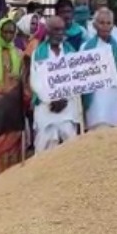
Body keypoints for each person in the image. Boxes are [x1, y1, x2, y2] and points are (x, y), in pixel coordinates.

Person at [0, 18, 27, 174]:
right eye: (5, 31)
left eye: (11, 32)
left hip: (13, 100)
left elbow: (22, 79)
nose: (9, 35)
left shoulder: (19, 53)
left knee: (13, 135)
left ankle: (12, 173)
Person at [30, 16, 80, 153]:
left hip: (67, 107)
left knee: (71, 149)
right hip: (46, 108)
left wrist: (64, 99)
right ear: (47, 30)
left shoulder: (71, 52)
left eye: (62, 30)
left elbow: (76, 78)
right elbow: (35, 81)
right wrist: (51, 100)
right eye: (56, 30)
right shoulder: (38, 53)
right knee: (44, 149)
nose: (59, 33)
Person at [80, 8, 117, 130]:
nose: (105, 26)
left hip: (116, 97)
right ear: (95, 25)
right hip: (95, 99)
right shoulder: (86, 47)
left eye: (108, 23)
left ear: (113, 25)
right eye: (101, 22)